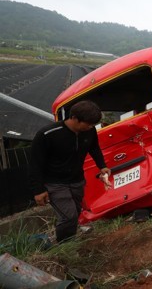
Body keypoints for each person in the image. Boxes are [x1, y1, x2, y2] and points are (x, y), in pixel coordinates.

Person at [29, 100, 111, 243]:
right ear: (74, 118)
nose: (91, 127)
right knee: (69, 216)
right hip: (55, 183)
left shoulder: (89, 131)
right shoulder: (47, 135)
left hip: (77, 180)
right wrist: (38, 190)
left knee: (75, 213)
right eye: (88, 123)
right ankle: (64, 246)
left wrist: (102, 165)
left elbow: (94, 148)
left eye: (93, 124)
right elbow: (35, 164)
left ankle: (69, 239)